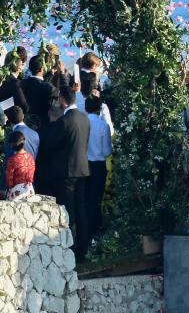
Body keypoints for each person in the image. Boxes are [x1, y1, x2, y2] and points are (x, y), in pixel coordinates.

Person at [45, 86, 91, 261]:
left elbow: (50, 144)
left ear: (62, 100)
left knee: (68, 211)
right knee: (81, 209)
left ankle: (70, 249)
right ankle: (84, 247)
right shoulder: (84, 118)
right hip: (83, 168)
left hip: (67, 172)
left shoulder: (65, 121)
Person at [84, 96, 112, 237]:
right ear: (99, 109)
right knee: (96, 200)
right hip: (98, 165)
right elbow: (107, 151)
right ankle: (96, 227)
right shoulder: (103, 126)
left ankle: (86, 228)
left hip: (84, 165)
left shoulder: (82, 123)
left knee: (86, 198)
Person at [22, 55, 58, 126]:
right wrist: (63, 74)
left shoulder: (23, 83)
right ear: (42, 69)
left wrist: (51, 74)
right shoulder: (48, 87)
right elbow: (61, 96)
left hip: (26, 123)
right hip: (44, 125)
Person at [5, 131, 35, 200]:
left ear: (12, 144)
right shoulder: (30, 157)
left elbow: (9, 180)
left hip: (17, 192)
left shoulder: (12, 160)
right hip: (30, 190)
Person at [0, 51, 27, 123]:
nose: (23, 65)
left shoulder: (2, 76)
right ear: (17, 66)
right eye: (22, 63)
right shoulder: (15, 82)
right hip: (9, 120)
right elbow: (23, 105)